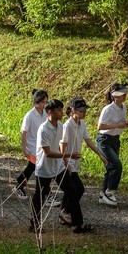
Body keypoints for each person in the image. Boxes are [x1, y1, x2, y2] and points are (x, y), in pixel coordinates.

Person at [33, 99, 94, 234]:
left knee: (73, 190)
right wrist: (69, 156)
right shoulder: (43, 129)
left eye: (61, 110)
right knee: (40, 196)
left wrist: (66, 163)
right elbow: (48, 153)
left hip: (58, 166)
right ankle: (35, 224)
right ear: (50, 112)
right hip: (44, 167)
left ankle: (77, 225)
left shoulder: (60, 126)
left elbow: (60, 147)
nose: (62, 113)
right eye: (59, 110)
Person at [59, 97, 107, 227]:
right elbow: (62, 144)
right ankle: (65, 212)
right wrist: (66, 162)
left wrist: (100, 155)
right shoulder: (67, 125)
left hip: (75, 162)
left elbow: (88, 140)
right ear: (73, 110)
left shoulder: (82, 123)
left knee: (70, 190)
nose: (84, 113)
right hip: (69, 162)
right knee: (78, 189)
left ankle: (63, 215)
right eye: (81, 111)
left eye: (85, 110)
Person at [96, 83, 128, 206]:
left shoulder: (123, 107)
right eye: (122, 94)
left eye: (125, 94)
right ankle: (110, 192)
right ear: (115, 96)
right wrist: (117, 125)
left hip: (115, 140)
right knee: (116, 165)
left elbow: (122, 124)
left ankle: (103, 193)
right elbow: (100, 126)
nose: (125, 96)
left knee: (110, 167)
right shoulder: (108, 109)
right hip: (104, 140)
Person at [15, 89, 49, 200]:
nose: (45, 105)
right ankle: (44, 193)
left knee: (32, 167)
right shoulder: (29, 115)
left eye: (46, 102)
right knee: (36, 167)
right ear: (36, 102)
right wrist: (24, 148)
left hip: (41, 145)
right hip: (32, 146)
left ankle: (20, 184)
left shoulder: (45, 114)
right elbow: (23, 132)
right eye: (43, 102)